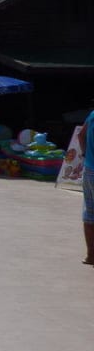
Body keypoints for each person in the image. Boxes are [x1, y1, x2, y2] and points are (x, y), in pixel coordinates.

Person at [78, 103, 94, 265]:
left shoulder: (92, 115)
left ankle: (91, 256)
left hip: (89, 170)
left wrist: (85, 154)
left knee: (90, 214)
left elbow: (80, 136)